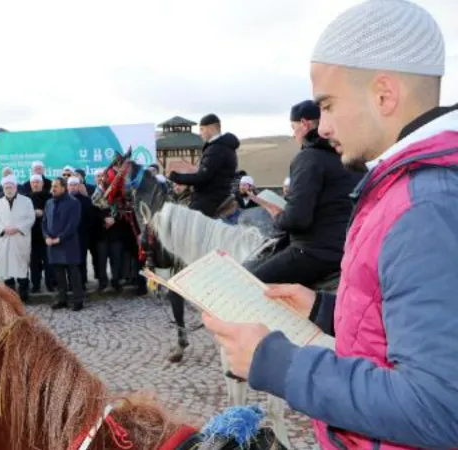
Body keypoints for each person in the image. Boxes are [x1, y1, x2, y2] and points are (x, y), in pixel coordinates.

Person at [204, 1, 458, 448]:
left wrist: (275, 361)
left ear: (384, 94)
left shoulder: (425, 203)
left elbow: (438, 407)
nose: (321, 126)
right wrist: (323, 310)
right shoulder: (407, 185)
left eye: (328, 104)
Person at [247, 100, 362, 286]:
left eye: (294, 128)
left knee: (250, 285)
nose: (294, 135)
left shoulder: (308, 158)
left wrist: (278, 217)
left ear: (304, 124)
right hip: (351, 247)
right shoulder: (350, 155)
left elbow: (298, 219)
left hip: (315, 251)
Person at [168, 114, 238, 217]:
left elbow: (202, 177)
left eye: (202, 129)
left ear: (210, 128)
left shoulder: (216, 149)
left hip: (210, 197)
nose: (200, 133)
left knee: (187, 222)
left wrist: (175, 177)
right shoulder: (224, 146)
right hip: (218, 193)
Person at [0, 175, 36, 302]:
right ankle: (9, 297)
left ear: (15, 187)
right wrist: (3, 229)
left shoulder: (26, 201)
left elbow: (30, 218)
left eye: (10, 187)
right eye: (6, 187)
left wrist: (17, 228)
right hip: (5, 239)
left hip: (20, 238)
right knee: (7, 269)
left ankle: (23, 297)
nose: (8, 190)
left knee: (21, 268)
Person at [43, 177, 85, 311]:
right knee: (59, 275)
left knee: (73, 274)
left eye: (55, 186)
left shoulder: (74, 202)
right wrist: (46, 237)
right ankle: (62, 299)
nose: (52, 189)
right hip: (52, 244)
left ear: (63, 187)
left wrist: (59, 238)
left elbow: (72, 225)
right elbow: (44, 222)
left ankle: (78, 301)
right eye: (52, 186)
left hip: (68, 244)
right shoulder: (49, 202)